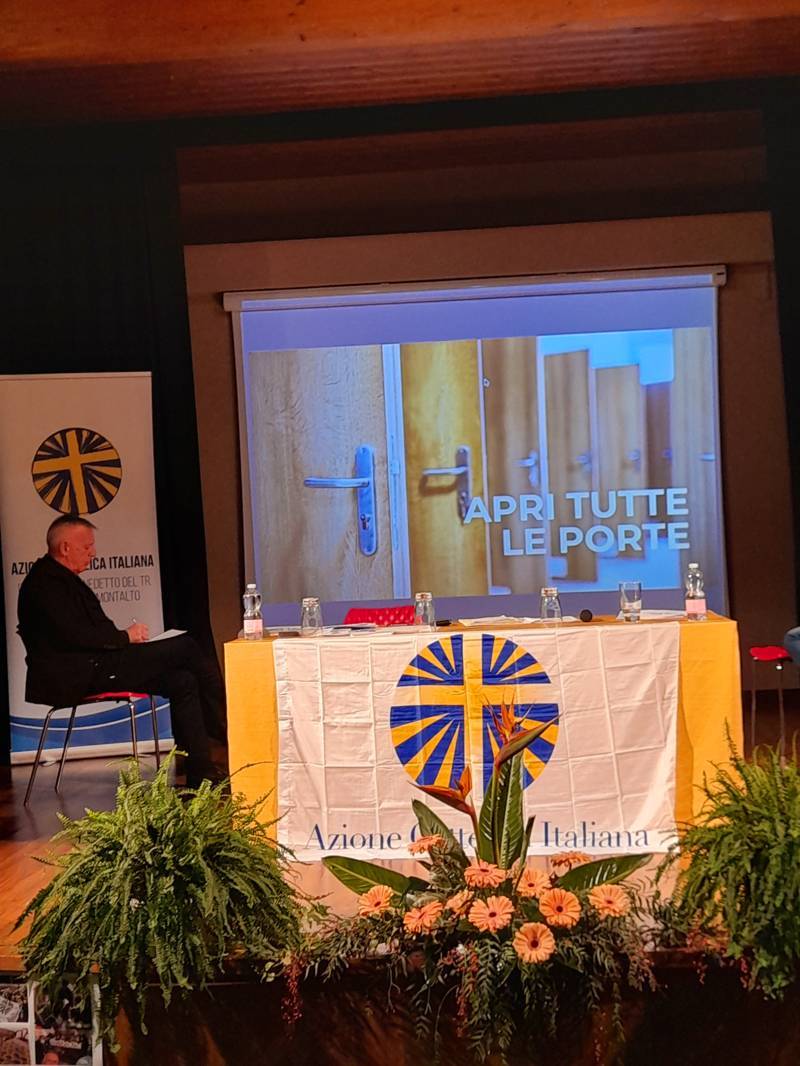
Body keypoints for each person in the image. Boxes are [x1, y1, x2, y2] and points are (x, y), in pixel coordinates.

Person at [17, 514, 227, 787]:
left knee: (182, 681)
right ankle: (228, 722)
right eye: (87, 546)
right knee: (185, 646)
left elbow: (89, 633)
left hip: (98, 665)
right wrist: (125, 636)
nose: (93, 553)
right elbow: (77, 635)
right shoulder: (45, 584)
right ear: (65, 547)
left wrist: (122, 640)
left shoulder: (61, 579)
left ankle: (201, 773)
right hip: (78, 674)